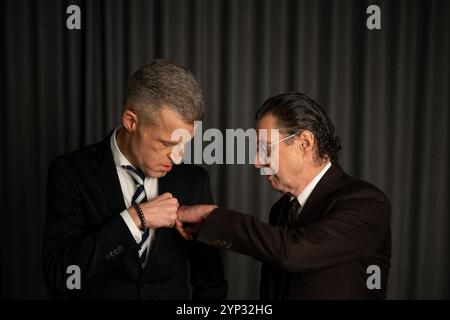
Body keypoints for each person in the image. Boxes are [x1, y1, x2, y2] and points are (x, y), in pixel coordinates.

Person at [42, 59, 227, 299]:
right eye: (168, 143)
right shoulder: (70, 173)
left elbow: (211, 281)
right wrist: (134, 219)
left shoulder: (194, 180)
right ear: (131, 121)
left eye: (184, 144)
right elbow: (60, 275)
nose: (178, 158)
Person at [177, 92, 391, 299]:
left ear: (305, 143)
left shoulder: (367, 203)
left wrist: (213, 216)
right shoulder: (280, 210)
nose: (257, 162)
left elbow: (292, 253)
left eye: (265, 148)